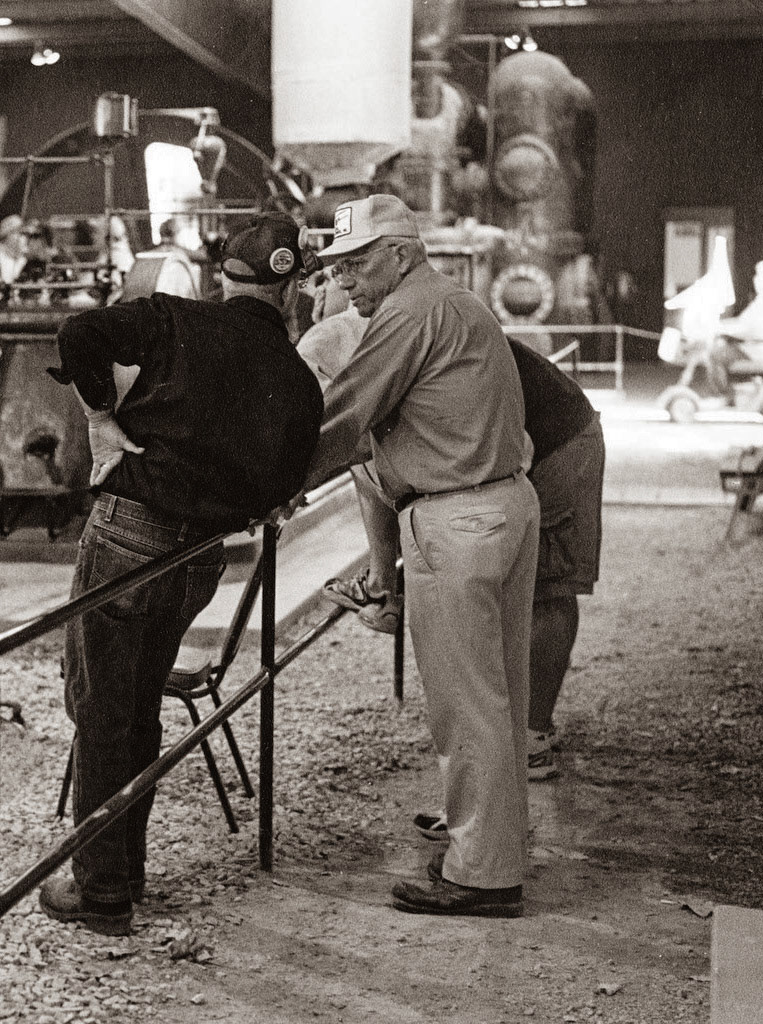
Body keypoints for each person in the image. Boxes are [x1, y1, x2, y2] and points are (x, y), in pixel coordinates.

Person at [39, 213, 323, 936]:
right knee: (137, 705)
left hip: (128, 536)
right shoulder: (297, 382)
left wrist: (101, 419)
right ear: (290, 290)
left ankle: (101, 890)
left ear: (222, 276)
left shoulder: (175, 320)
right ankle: (123, 869)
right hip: (199, 562)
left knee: (101, 706)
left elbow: (77, 335)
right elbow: (280, 496)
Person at [301, 194, 538, 918]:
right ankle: (493, 841)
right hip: (503, 502)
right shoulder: (453, 302)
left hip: (457, 518)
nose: (346, 283)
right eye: (338, 269)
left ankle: (482, 876)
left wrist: (266, 487)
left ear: (402, 254)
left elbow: (344, 418)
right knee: (500, 697)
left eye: (358, 264)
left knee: (467, 708)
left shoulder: (406, 312)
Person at [315, 331, 605, 783]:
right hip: (506, 452)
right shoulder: (369, 344)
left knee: (547, 589)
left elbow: (504, 452)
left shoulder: (399, 341)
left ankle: (532, 737)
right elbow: (366, 462)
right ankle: (501, 739)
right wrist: (384, 581)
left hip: (555, 441)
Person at [707, 259, 763, 396]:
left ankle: (724, 394)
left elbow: (750, 328)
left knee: (716, 354)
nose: (755, 280)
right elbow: (743, 322)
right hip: (754, 347)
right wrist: (721, 326)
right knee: (720, 347)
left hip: (759, 350)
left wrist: (722, 328)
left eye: (760, 276)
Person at [0, 213, 28, 282]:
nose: (22, 238)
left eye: (23, 234)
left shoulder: (24, 261)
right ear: (6, 236)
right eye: (18, 232)